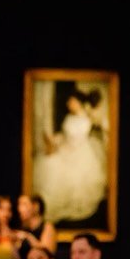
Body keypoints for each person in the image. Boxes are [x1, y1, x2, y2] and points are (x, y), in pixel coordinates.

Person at [33, 87, 107, 224]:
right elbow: (64, 136)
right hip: (66, 148)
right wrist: (54, 140)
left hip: (77, 154)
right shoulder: (69, 117)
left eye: (71, 101)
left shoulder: (85, 121)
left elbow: (75, 143)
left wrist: (57, 147)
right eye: (68, 101)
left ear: (78, 102)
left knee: (56, 166)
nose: (68, 103)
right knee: (47, 162)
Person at [14, 193, 57, 259]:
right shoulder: (23, 230)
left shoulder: (47, 227)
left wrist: (28, 238)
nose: (20, 209)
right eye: (19, 205)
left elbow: (47, 252)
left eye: (24, 204)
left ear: (36, 206)